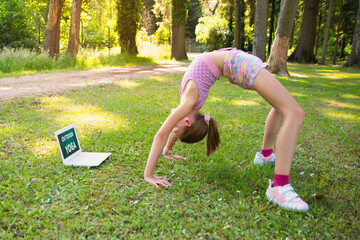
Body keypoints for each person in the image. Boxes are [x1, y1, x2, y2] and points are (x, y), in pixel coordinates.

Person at [143, 48, 309, 212]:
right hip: (240, 65)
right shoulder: (188, 105)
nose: (171, 124)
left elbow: (166, 133)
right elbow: (167, 132)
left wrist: (156, 165)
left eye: (174, 127)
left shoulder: (187, 103)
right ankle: (273, 174)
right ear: (187, 122)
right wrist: (162, 157)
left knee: (287, 109)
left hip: (240, 64)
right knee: (293, 112)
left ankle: (272, 170)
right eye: (174, 127)